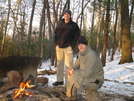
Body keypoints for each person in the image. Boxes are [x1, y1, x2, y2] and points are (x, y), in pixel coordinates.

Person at [62, 36, 104, 101]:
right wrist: (71, 69)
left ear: (86, 45)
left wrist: (74, 72)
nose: (80, 47)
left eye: (82, 45)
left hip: (95, 81)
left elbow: (87, 73)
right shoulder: (83, 54)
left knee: (74, 77)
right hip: (88, 79)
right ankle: (72, 96)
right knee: (73, 75)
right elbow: (76, 64)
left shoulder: (92, 56)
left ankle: (69, 97)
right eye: (79, 45)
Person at [53, 9, 80, 86]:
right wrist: (56, 45)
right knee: (59, 65)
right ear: (63, 15)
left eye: (68, 14)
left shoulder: (74, 25)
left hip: (68, 47)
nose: (67, 15)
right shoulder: (59, 24)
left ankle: (68, 82)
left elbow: (76, 36)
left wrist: (72, 46)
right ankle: (59, 80)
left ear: (70, 15)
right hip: (59, 48)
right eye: (65, 14)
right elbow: (55, 35)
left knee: (68, 66)